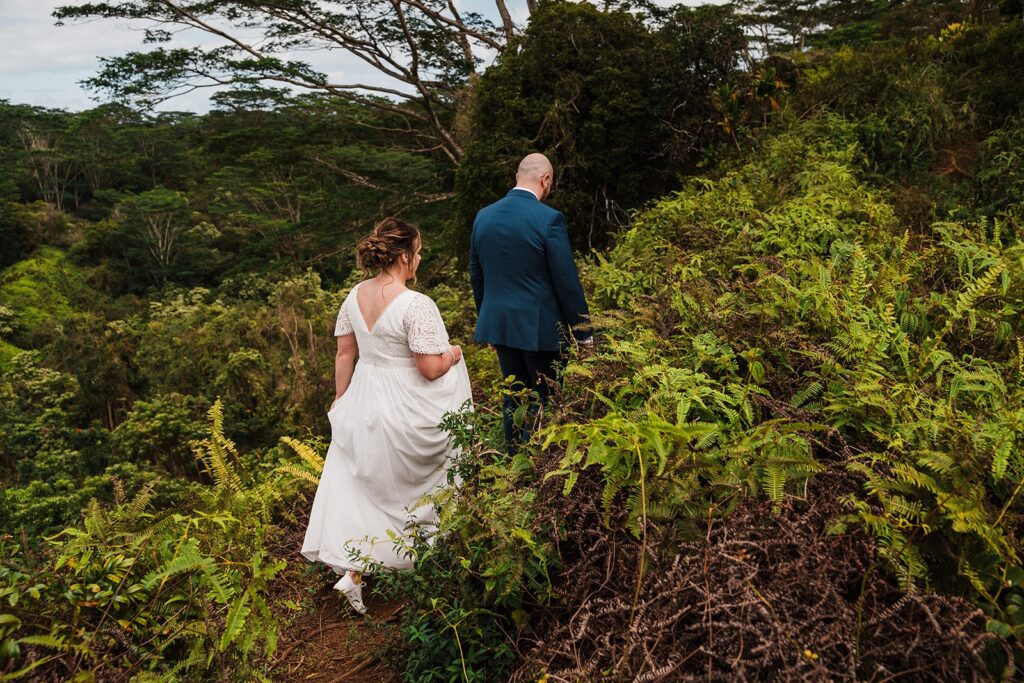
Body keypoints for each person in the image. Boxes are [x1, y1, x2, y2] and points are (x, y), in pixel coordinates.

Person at [301, 218, 472, 615]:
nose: (420, 259)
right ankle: (430, 560)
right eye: (419, 252)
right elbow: (429, 368)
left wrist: (341, 399)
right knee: (416, 480)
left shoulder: (354, 295)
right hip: (403, 401)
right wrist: (456, 353)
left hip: (363, 396)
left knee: (366, 486)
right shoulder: (416, 303)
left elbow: (345, 353)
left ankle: (355, 573)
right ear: (404, 256)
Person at [469, 153, 590, 448]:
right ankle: (535, 468)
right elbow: (566, 282)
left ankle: (513, 461)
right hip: (541, 330)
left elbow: (477, 272)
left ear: (517, 176)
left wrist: (488, 319)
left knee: (514, 397)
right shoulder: (549, 219)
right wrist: (584, 334)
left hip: (500, 326)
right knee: (546, 399)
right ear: (545, 180)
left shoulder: (484, 215)